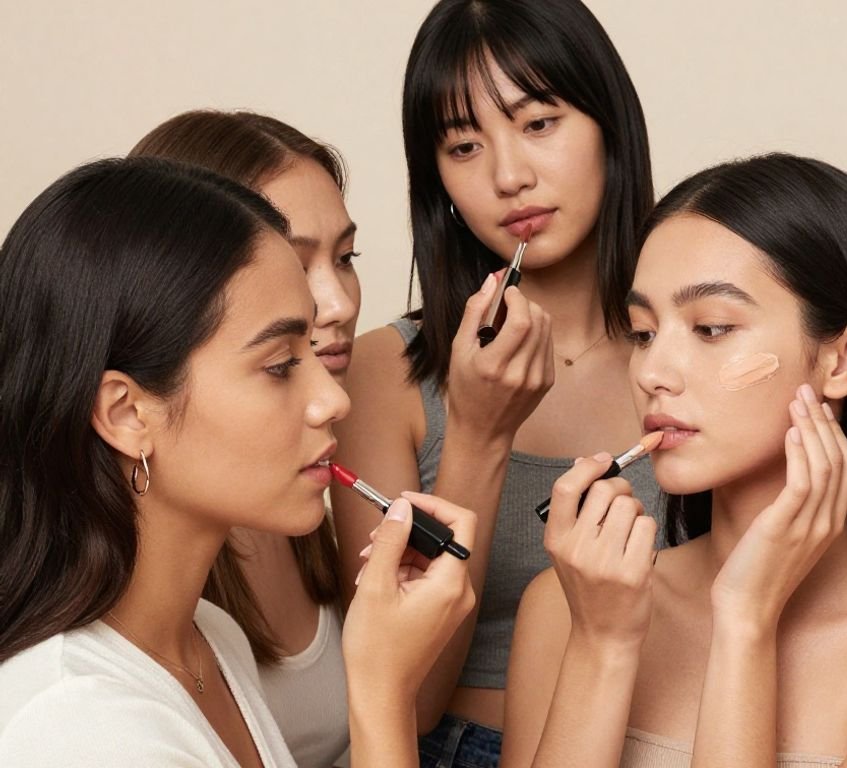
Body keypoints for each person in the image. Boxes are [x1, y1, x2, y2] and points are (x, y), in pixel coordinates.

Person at [502, 154, 847, 767]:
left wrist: (745, 620)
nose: (652, 372)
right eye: (643, 333)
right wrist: (602, 646)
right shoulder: (570, 603)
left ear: (845, 359)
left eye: (711, 328)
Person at [0, 157, 474, 768]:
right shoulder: (76, 728)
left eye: (312, 350)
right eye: (279, 366)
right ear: (127, 414)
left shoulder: (212, 638)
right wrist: (382, 691)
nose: (334, 401)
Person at [332, 1, 661, 762]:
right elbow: (406, 701)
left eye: (539, 122)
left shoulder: (693, 357)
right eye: (464, 146)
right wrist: (478, 435)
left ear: (610, 124)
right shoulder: (383, 374)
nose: (509, 176)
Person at [130, 109, 363, 767]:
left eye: (347, 258)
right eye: (294, 264)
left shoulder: (218, 630)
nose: (339, 304)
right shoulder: (87, 701)